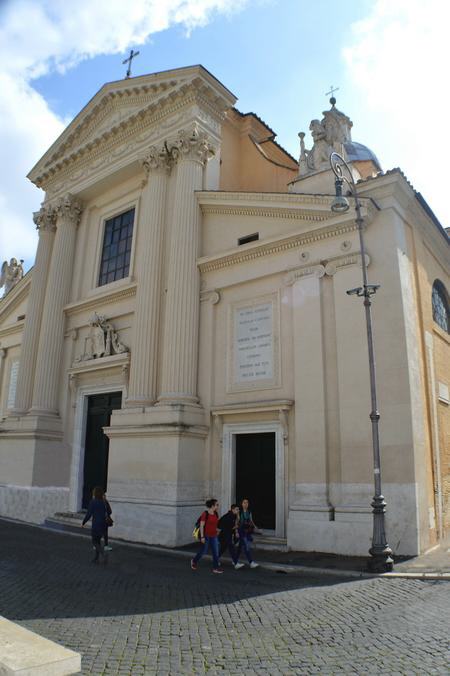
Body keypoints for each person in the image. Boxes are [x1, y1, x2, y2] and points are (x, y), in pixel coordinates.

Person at [191, 499, 223, 574]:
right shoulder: (205, 514)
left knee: (216, 552)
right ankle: (194, 561)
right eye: (216, 505)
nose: (218, 506)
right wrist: (202, 537)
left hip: (214, 535)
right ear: (212, 506)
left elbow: (215, 524)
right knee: (203, 551)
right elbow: (202, 526)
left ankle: (215, 568)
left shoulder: (216, 513)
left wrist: (217, 530)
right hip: (206, 536)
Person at [81, 486, 109, 564]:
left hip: (96, 524)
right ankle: (96, 558)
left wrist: (83, 522)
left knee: (94, 542)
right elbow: (108, 511)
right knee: (98, 541)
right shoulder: (103, 501)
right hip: (103, 524)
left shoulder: (93, 502)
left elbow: (89, 514)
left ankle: (102, 553)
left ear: (94, 493)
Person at [218, 504, 244, 570]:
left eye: (238, 509)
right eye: (237, 509)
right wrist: (235, 528)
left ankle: (216, 559)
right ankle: (236, 563)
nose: (238, 511)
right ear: (232, 509)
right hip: (224, 534)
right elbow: (231, 526)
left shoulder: (234, 515)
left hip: (227, 533)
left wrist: (236, 531)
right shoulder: (228, 516)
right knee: (231, 547)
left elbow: (236, 524)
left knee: (223, 548)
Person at [237, 498, 259, 568]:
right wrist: (236, 531)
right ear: (241, 504)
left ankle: (235, 560)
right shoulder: (239, 512)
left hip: (247, 531)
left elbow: (251, 520)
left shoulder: (249, 512)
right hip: (241, 531)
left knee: (240, 547)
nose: (246, 504)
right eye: (244, 502)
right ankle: (251, 562)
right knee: (246, 546)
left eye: (247, 502)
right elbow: (237, 522)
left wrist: (255, 527)